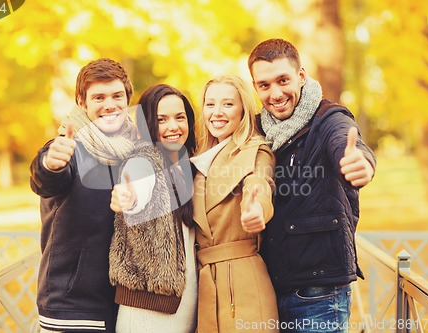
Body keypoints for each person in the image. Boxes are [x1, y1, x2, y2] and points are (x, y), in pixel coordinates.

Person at [248, 38, 377, 332]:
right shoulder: (256, 129)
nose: (276, 93)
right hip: (269, 287)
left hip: (319, 294)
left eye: (283, 80)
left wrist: (360, 162)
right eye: (264, 85)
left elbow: (345, 141)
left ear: (301, 76)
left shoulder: (328, 118)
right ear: (255, 87)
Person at [30, 58, 137, 332]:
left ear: (128, 98)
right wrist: (49, 164)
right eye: (98, 97)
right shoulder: (69, 148)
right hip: (72, 305)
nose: (109, 104)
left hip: (123, 305)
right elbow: (46, 179)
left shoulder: (135, 149)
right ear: (82, 102)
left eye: (117, 95)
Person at [190, 74, 279, 332]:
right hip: (204, 286)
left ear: (243, 110)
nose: (217, 112)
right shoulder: (199, 159)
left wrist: (257, 210)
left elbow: (260, 183)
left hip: (242, 285)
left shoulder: (256, 151)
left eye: (228, 104)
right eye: (210, 104)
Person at [108, 84, 198, 333]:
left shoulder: (186, 166)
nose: (173, 127)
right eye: (162, 119)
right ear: (147, 123)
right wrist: (129, 198)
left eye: (180, 117)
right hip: (147, 315)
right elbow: (136, 185)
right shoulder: (143, 160)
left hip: (182, 309)